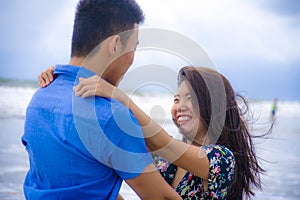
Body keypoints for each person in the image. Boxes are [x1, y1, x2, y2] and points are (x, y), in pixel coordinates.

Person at [22, 0, 181, 199]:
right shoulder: (111, 115)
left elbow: (82, 185)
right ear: (115, 45)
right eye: (133, 48)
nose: (133, 59)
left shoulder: (38, 99)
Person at [39, 66, 266, 199]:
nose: (180, 106)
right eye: (177, 98)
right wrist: (64, 79)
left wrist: (120, 97)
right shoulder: (167, 163)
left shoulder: (222, 159)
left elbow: (160, 142)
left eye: (191, 98)